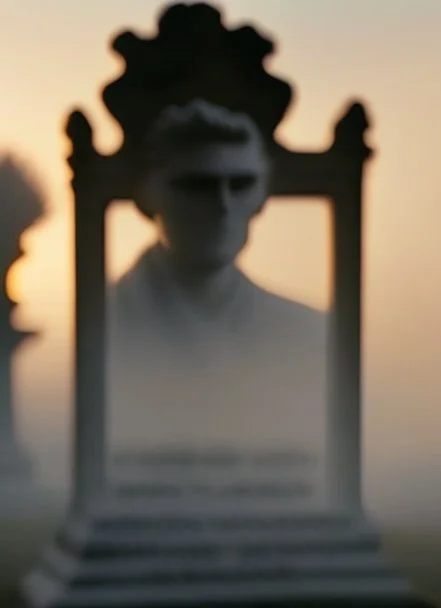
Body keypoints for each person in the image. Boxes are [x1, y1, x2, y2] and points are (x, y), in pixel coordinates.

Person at [107, 99, 327, 486]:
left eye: (240, 184)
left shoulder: (309, 330)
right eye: (197, 185)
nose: (223, 207)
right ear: (149, 196)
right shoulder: (104, 321)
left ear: (261, 196)